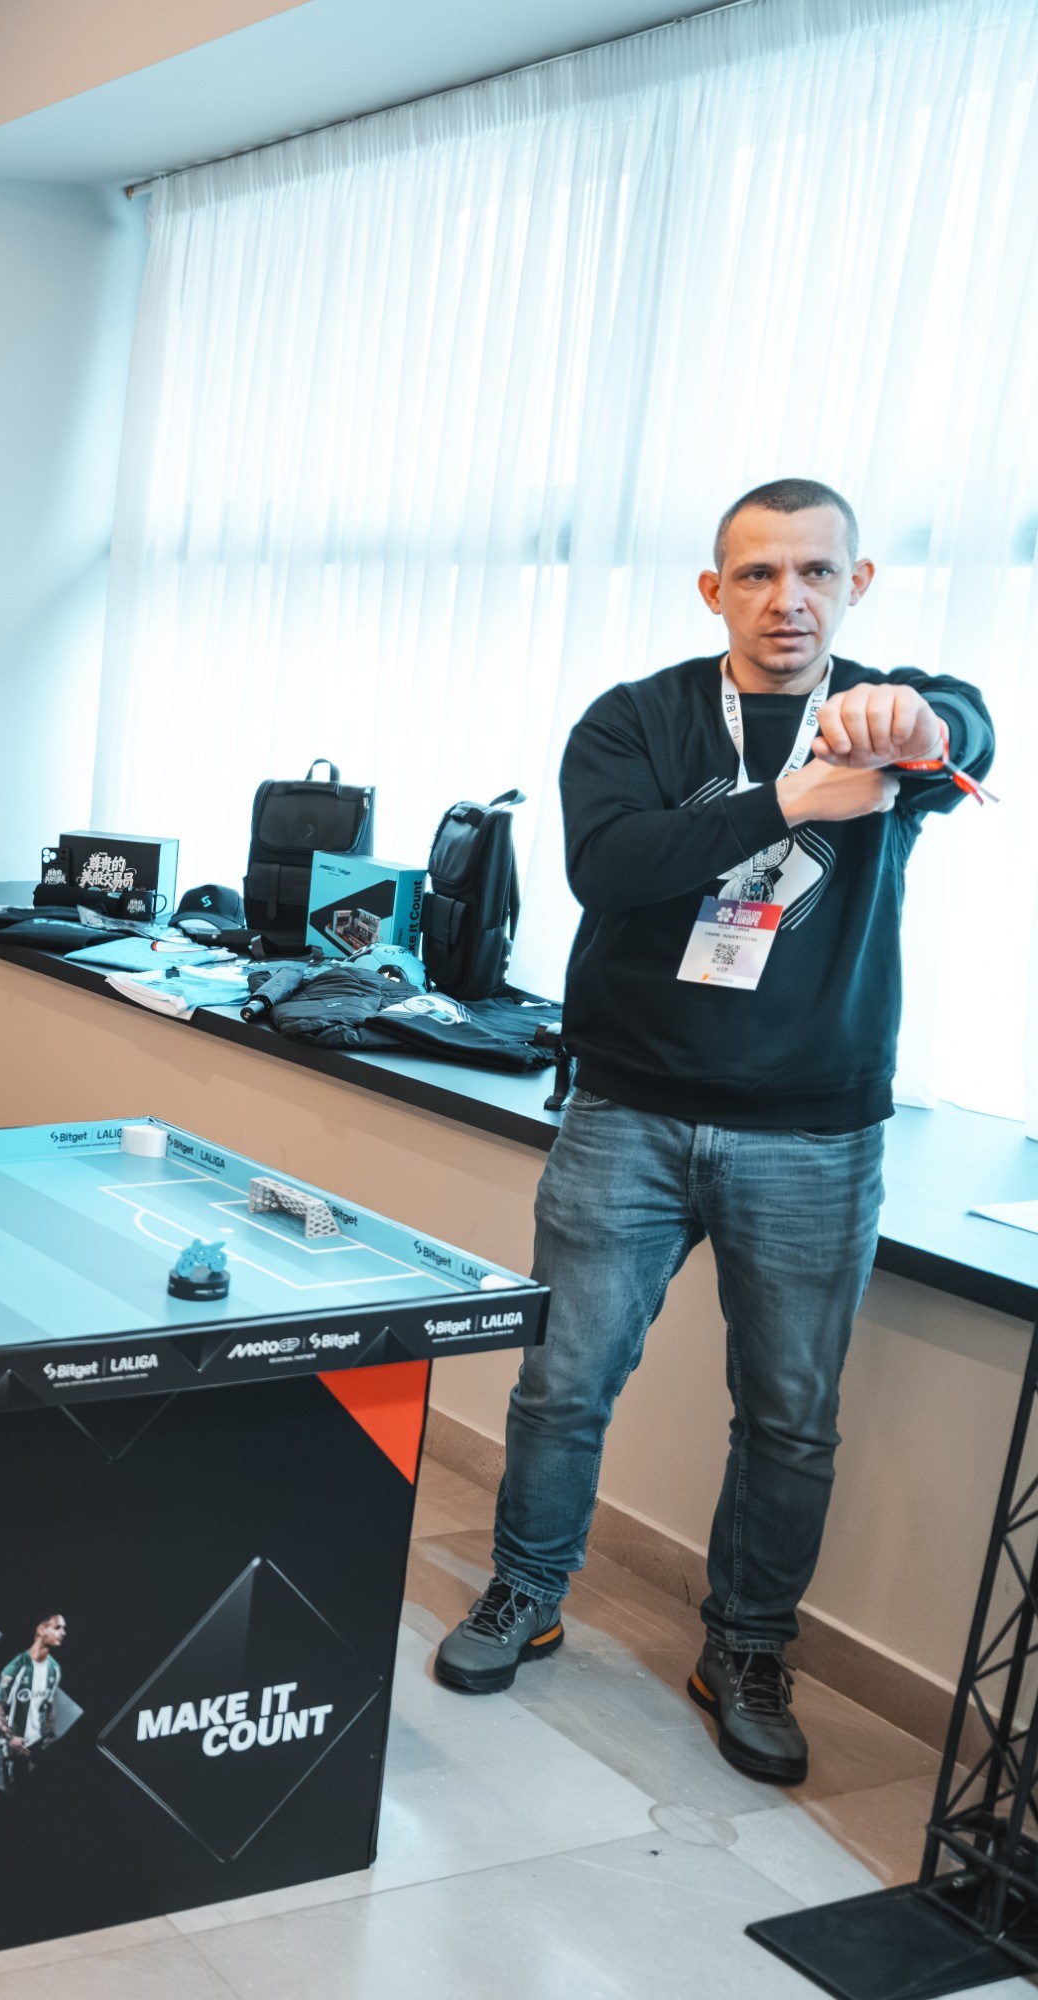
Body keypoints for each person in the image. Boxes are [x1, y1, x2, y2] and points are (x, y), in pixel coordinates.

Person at [433, 478, 995, 1789]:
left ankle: (746, 1647)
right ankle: (526, 1590)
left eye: (816, 572)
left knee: (790, 1417)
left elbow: (966, 724)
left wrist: (925, 724)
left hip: (813, 1132)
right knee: (565, 1380)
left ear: (856, 586)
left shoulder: (882, 722)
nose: (787, 599)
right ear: (714, 589)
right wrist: (794, 802)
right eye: (757, 573)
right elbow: (612, 866)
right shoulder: (639, 719)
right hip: (627, 1111)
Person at [0, 1613, 70, 1783]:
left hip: (38, 1744)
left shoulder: (54, 1669)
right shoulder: (17, 1665)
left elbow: (48, 1705)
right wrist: (10, 1738)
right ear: (41, 1630)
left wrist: (50, 1736)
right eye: (57, 1627)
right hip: (15, 1747)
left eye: (63, 1628)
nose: (63, 1632)